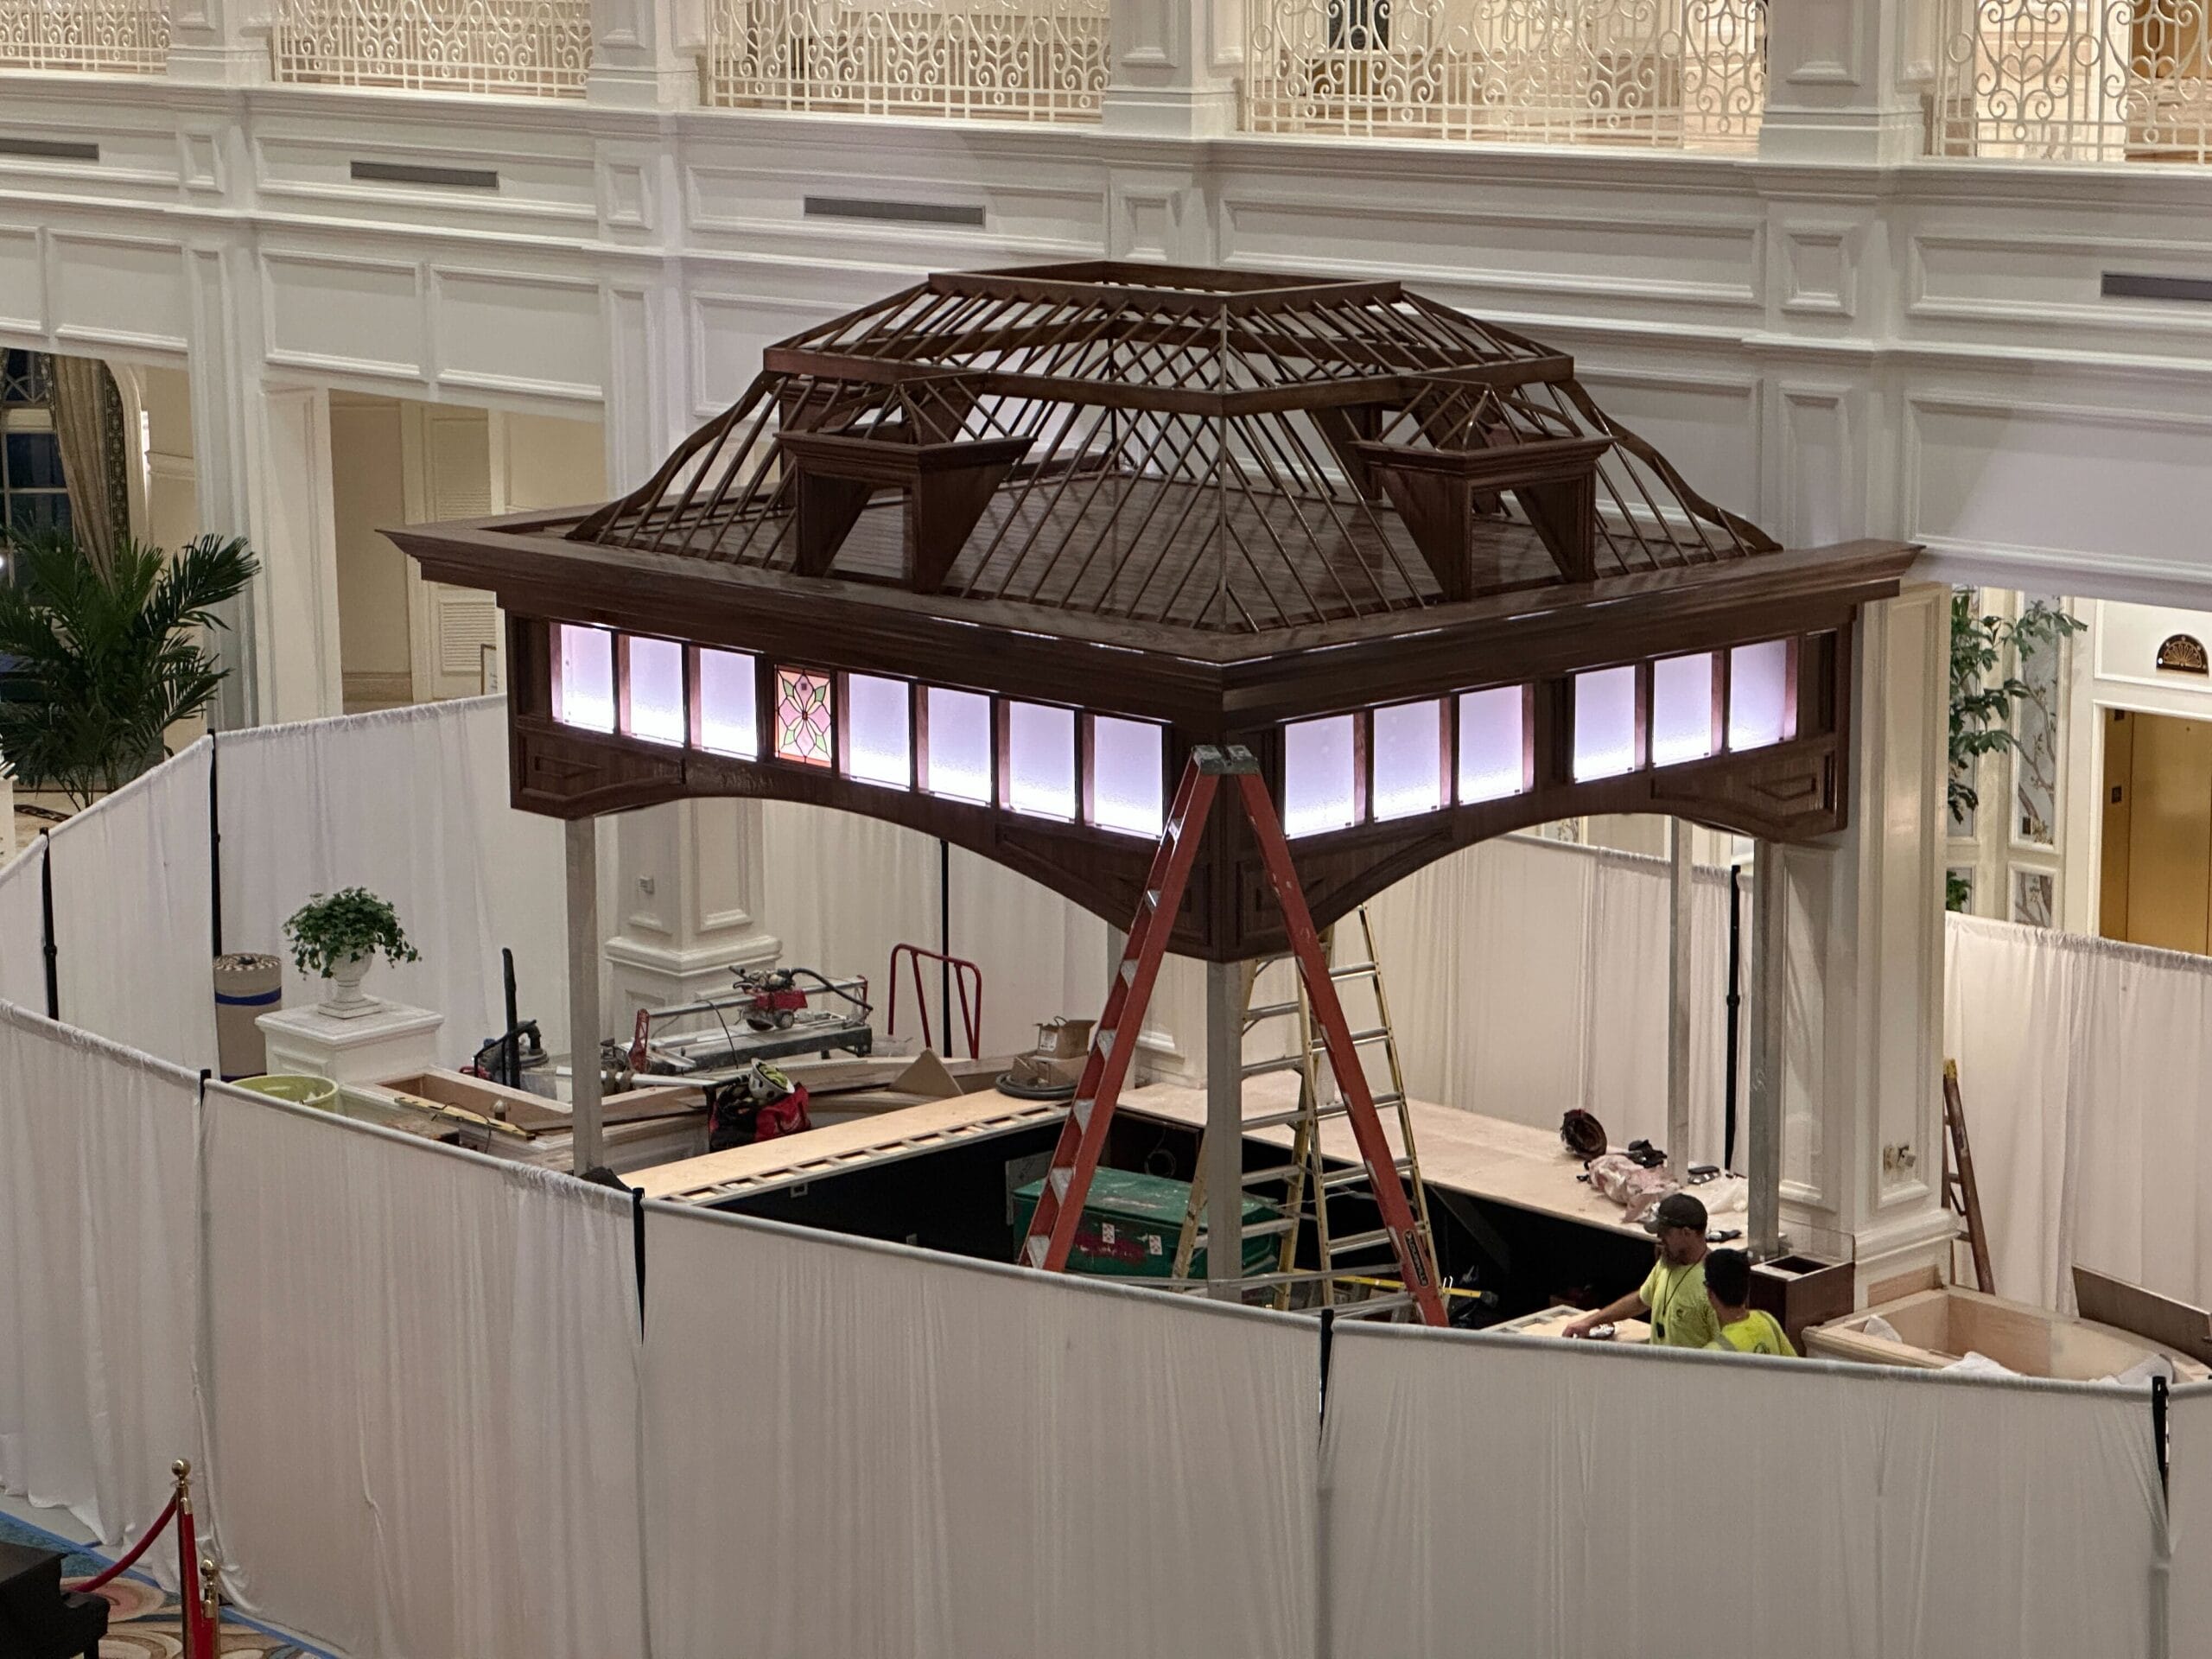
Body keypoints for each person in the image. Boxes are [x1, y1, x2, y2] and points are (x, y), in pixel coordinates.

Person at [1561, 1192, 1717, 1348]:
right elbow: (1640, 1301)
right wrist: (1589, 1322)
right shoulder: (1668, 1263)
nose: (1659, 1238)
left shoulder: (1714, 1285)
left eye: (1665, 1233)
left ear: (1687, 1233)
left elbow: (1724, 1349)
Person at [1701, 1248, 1796, 1356]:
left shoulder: (1713, 1353)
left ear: (1710, 1293)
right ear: (1748, 1289)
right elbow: (1796, 1367)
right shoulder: (1767, 1320)